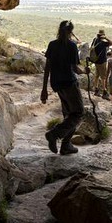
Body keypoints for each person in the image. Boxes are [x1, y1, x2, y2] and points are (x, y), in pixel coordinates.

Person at [41, 20, 87, 155]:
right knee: (78, 114)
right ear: (70, 32)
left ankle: (66, 146)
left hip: (56, 84)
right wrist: (85, 71)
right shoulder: (72, 46)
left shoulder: (52, 45)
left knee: (69, 115)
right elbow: (74, 69)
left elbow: (47, 67)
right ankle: (54, 135)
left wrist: (44, 89)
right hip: (69, 83)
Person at [90, 29, 112, 99]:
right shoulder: (103, 43)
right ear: (102, 35)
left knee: (97, 75)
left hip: (96, 61)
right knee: (103, 77)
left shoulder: (95, 40)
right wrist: (106, 38)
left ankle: (96, 90)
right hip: (102, 62)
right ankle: (104, 92)